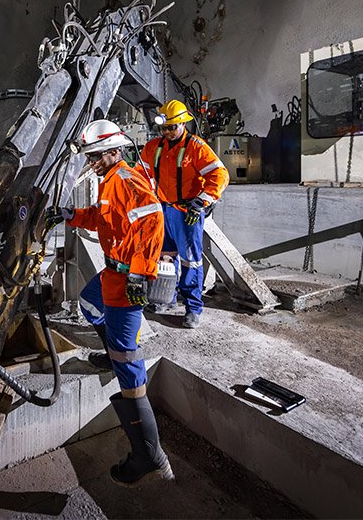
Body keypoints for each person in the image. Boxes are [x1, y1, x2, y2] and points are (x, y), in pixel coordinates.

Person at [46, 119, 173, 487]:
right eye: (91, 156)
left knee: (128, 361)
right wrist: (71, 215)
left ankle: (149, 454)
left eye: (98, 155)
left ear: (115, 151)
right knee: (88, 304)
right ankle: (112, 353)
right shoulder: (108, 181)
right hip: (111, 275)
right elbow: (103, 220)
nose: (93, 161)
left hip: (127, 277)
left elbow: (154, 222)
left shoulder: (128, 179)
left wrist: (139, 274)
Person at [139, 99, 229, 328]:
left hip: (187, 212)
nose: (168, 132)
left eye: (172, 127)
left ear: (183, 124)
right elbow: (140, 175)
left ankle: (193, 308)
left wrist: (203, 201)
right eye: (164, 128)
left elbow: (220, 175)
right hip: (162, 210)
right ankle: (166, 298)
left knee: (191, 261)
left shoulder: (196, 147)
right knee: (165, 258)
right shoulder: (153, 148)